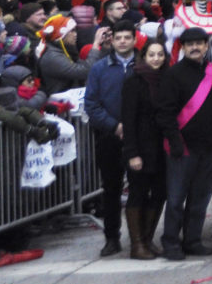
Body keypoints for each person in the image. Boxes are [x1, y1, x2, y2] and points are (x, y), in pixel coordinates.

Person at [157, 27, 212, 261]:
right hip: (181, 148)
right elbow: (165, 113)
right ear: (182, 48)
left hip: (208, 147)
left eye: (199, 43)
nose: (195, 47)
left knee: (200, 198)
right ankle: (171, 242)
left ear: (206, 46)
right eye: (189, 44)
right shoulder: (173, 75)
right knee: (175, 199)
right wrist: (175, 142)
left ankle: (192, 240)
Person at [85, 18, 139, 256]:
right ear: (112, 40)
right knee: (111, 188)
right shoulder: (99, 68)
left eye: (127, 37)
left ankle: (140, 237)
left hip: (140, 137)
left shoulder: (145, 64)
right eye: (118, 38)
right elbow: (92, 104)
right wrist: (114, 126)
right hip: (109, 136)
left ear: (135, 40)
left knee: (139, 188)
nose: (123, 41)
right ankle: (111, 237)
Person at [121, 39, 168, 260]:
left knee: (159, 193)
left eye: (160, 54)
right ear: (144, 56)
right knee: (138, 194)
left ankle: (148, 239)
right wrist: (132, 153)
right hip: (140, 147)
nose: (156, 59)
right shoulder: (134, 81)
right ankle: (137, 244)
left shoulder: (166, 79)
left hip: (161, 147)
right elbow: (128, 120)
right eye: (152, 54)